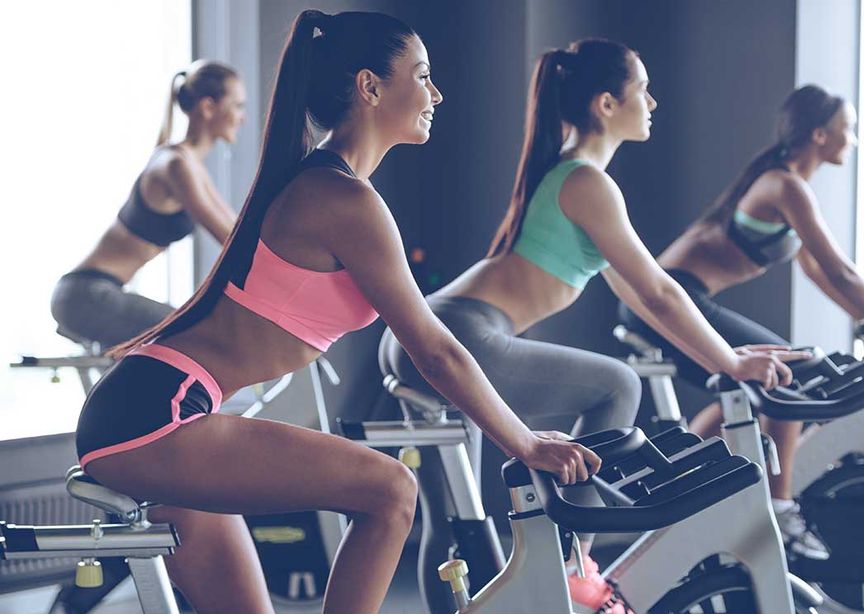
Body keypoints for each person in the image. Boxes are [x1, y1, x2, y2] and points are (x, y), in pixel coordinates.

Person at [75, 11, 595, 614]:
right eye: (422, 76)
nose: (436, 93)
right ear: (370, 87)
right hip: (157, 415)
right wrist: (525, 443)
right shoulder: (342, 198)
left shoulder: (328, 185)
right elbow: (435, 349)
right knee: (390, 489)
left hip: (153, 410)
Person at [380, 39, 802, 614]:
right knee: (617, 385)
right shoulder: (586, 182)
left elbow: (646, 297)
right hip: (460, 333)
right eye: (642, 90)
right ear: (607, 104)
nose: (653, 101)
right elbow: (659, 289)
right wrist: (728, 363)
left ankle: (558, 569)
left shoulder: (573, 179)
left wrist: (723, 355)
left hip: (425, 332)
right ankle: (572, 566)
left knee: (457, 518)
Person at [620, 84, 864, 559]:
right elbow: (842, 270)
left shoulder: (788, 185)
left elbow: (820, 274)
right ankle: (781, 505)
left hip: (679, 300)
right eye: (846, 131)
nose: (852, 140)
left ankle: (676, 470)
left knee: (751, 392)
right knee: (791, 375)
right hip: (668, 302)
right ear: (818, 136)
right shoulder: (784, 185)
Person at [51, 60, 243, 349]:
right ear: (208, 107)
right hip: (85, 294)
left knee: (192, 333)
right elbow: (231, 241)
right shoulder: (176, 165)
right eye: (238, 106)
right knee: (195, 333)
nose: (243, 117)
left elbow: (239, 229)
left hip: (94, 292)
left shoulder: (188, 163)